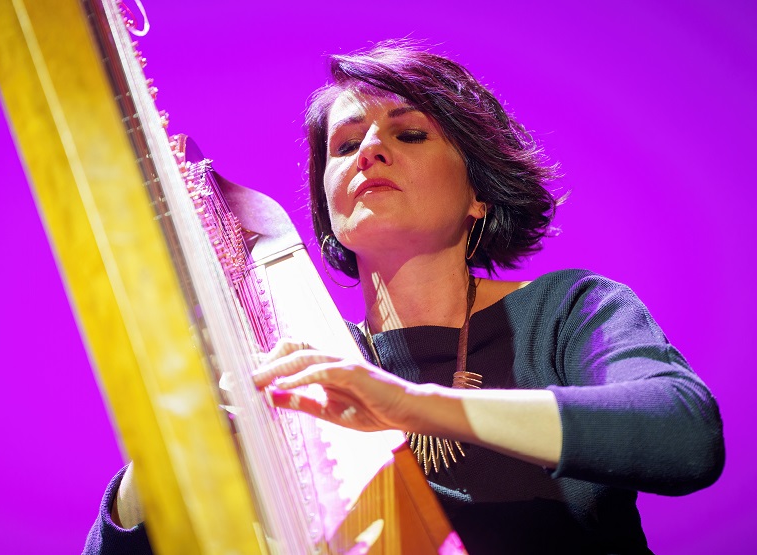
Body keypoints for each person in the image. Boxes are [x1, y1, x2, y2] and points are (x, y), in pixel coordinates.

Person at [84, 42, 724, 554]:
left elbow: (685, 435)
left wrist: (411, 405)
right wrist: (167, 451)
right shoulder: (310, 368)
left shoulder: (565, 309)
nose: (369, 150)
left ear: (478, 194)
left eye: (409, 134)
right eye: (345, 144)